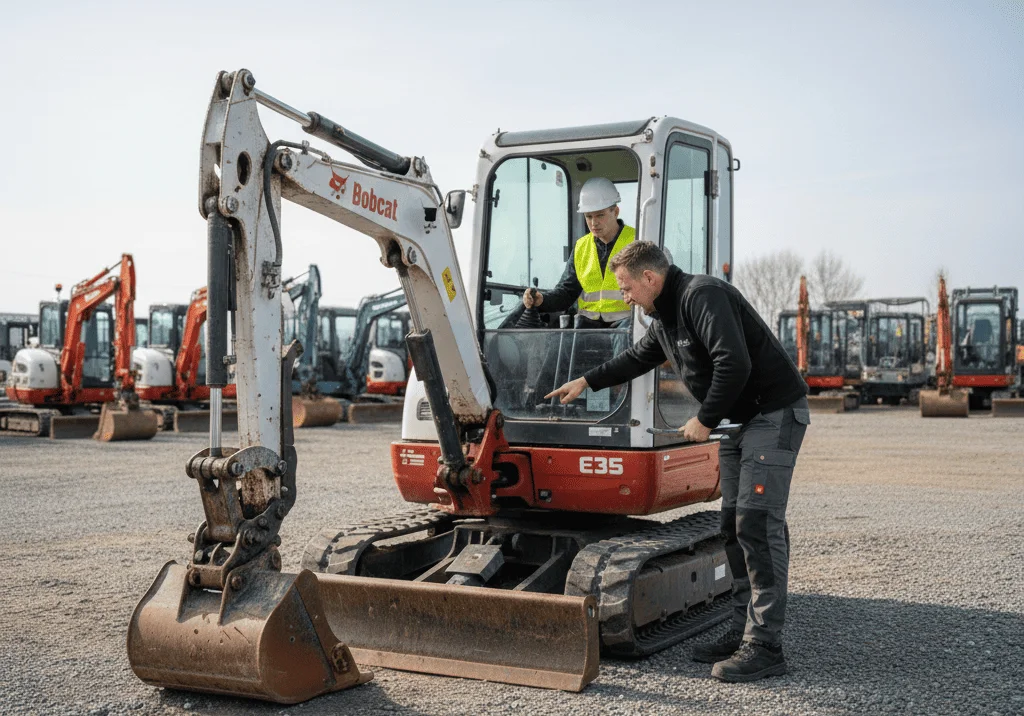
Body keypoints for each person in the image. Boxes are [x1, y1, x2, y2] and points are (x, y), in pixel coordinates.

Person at [546, 240, 811, 683]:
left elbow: (735, 362)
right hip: (741, 422)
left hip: (774, 414)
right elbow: (636, 358)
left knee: (757, 524)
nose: (625, 298)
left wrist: (704, 419)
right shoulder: (665, 317)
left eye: (627, 288)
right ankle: (742, 629)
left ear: (650, 278)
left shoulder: (702, 296)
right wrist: (586, 381)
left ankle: (766, 647)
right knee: (732, 525)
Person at [522, 177, 634, 327]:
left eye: (600, 215)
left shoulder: (637, 241)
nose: (594, 223)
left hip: (626, 328)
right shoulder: (581, 247)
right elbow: (566, 293)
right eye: (588, 216)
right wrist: (542, 300)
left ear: (615, 212)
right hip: (586, 330)